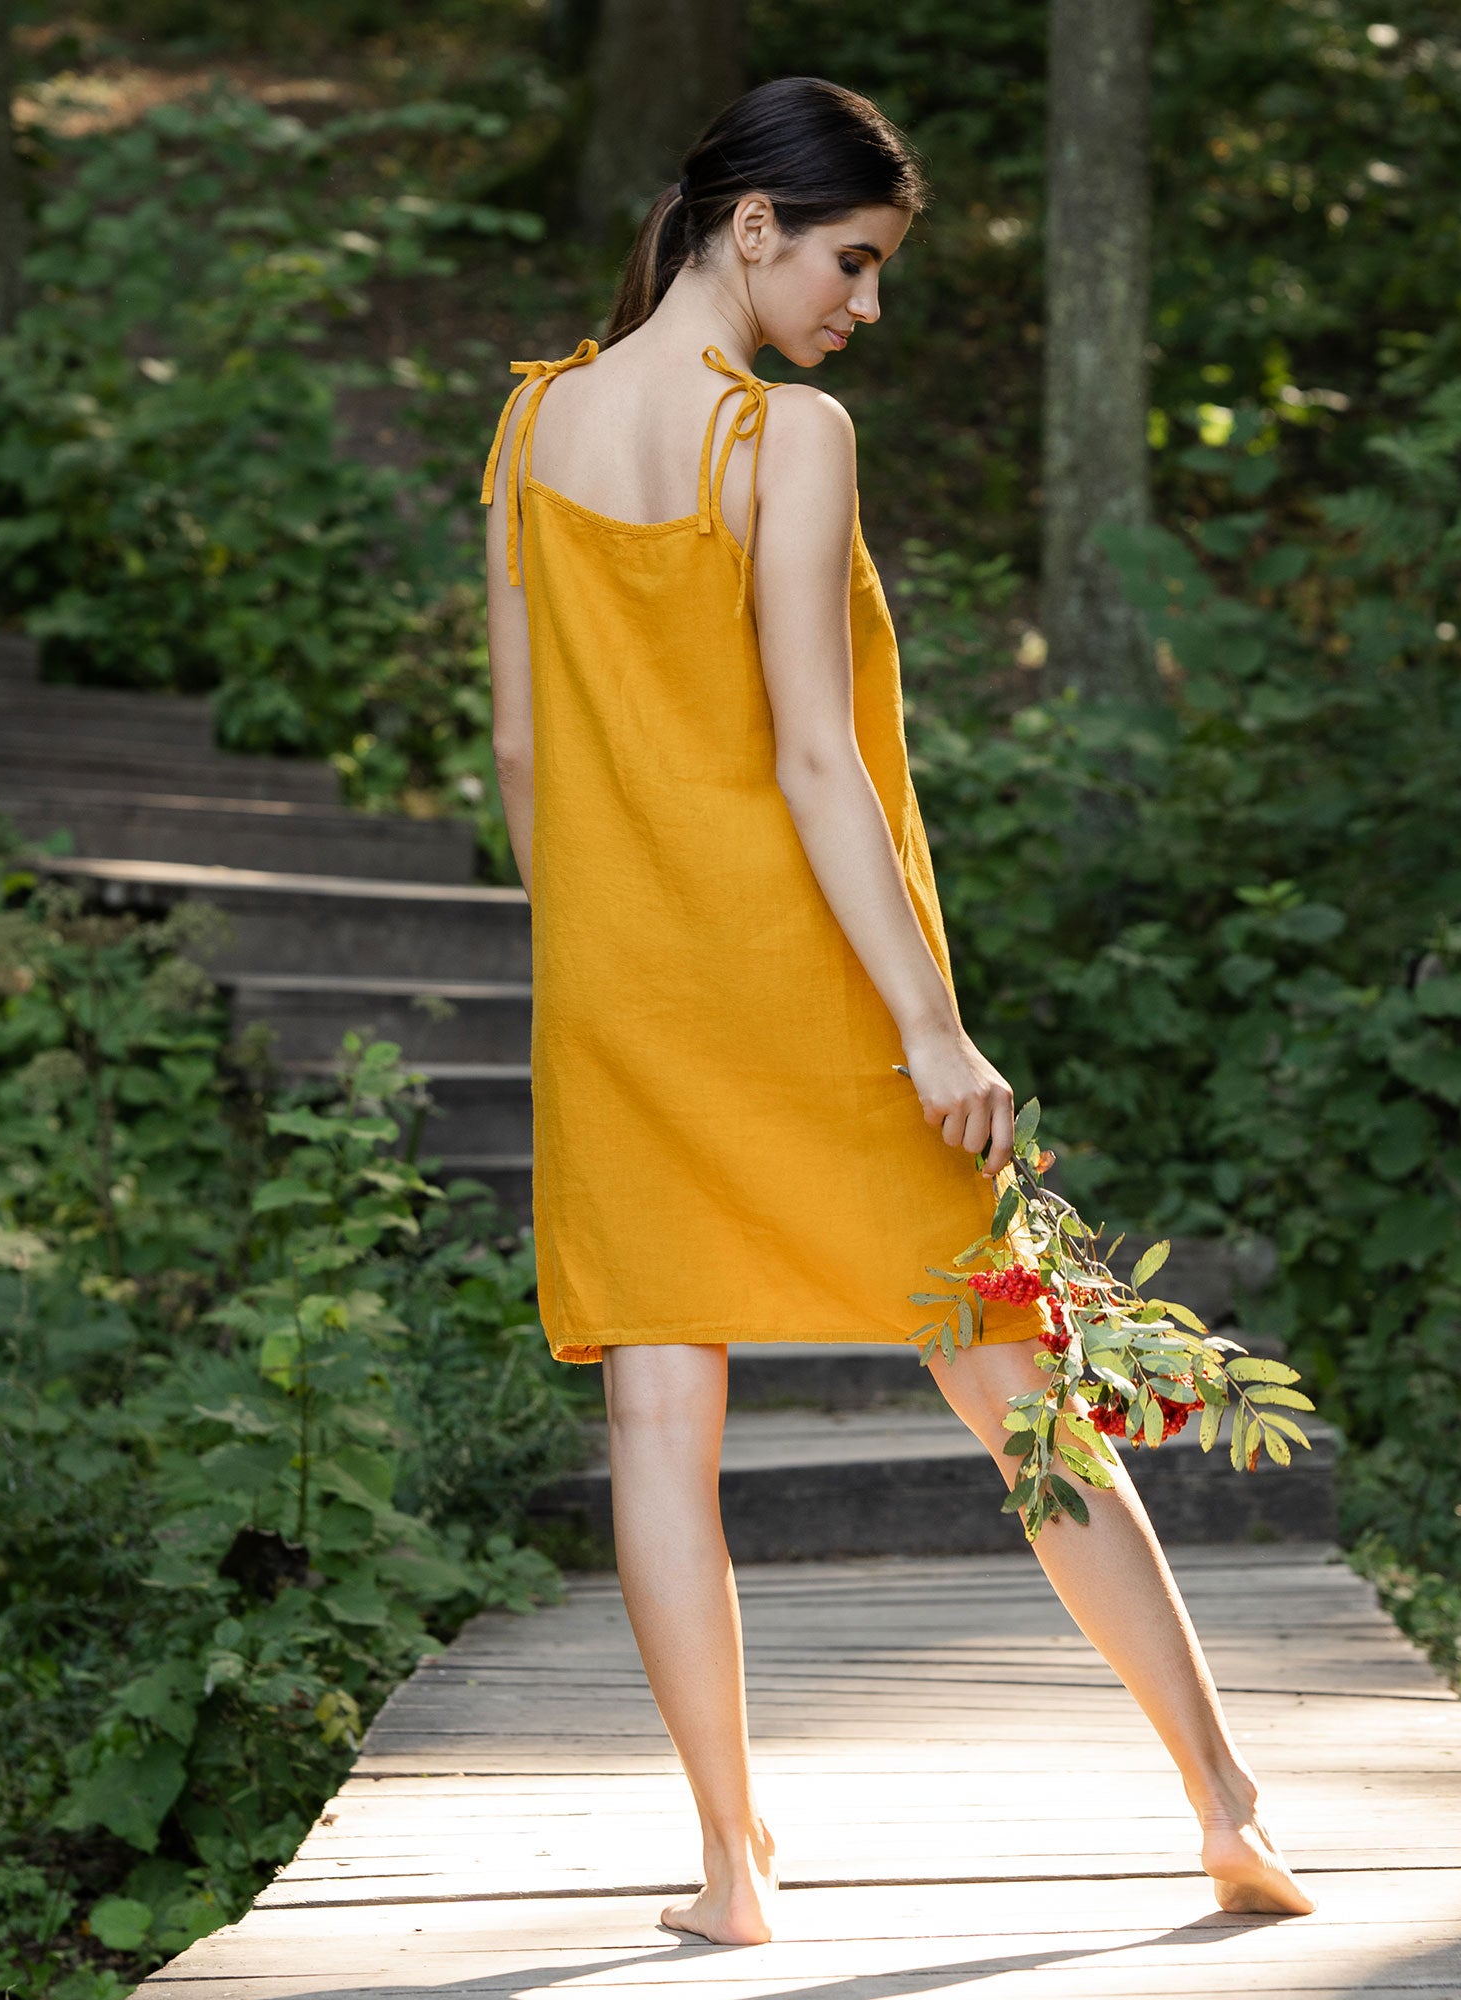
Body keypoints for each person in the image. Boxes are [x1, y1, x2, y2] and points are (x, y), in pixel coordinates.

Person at [483, 74, 1315, 1947]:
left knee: (657, 1436)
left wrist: (614, 954)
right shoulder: (787, 439)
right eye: (852, 261)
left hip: (617, 1004)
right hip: (816, 995)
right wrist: (933, 1027)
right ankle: (1223, 1798)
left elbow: (527, 753)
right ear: (753, 227)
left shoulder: (531, 424)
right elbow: (814, 759)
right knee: (1025, 1394)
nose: (862, 305)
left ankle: (730, 1868)